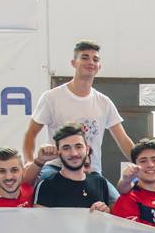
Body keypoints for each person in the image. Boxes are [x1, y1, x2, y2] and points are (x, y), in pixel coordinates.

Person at [24, 40, 134, 177]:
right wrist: (29, 161)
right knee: (44, 186)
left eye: (95, 59)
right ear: (73, 63)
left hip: (91, 171)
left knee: (112, 192)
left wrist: (141, 163)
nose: (91, 62)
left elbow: (123, 139)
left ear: (99, 66)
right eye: (85, 57)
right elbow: (31, 132)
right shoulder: (51, 97)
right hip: (56, 168)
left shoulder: (104, 102)